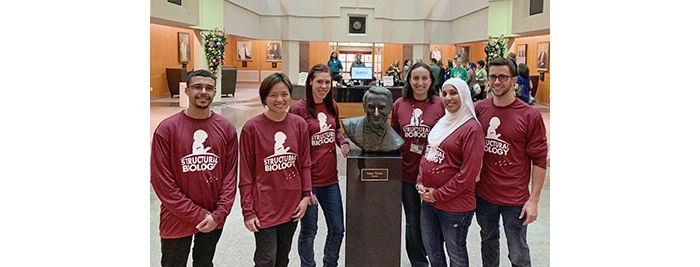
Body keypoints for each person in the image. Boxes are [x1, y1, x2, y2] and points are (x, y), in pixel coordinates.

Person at [151, 69, 239, 267]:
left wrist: (219, 214)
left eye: (209, 88)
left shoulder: (226, 129)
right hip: (176, 218)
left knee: (204, 263)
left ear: (215, 92)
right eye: (197, 87)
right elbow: (161, 182)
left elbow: (230, 178)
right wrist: (199, 215)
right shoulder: (167, 129)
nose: (203, 92)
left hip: (213, 217)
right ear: (187, 91)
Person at [474, 58, 548, 267]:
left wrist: (533, 199)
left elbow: (539, 159)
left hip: (515, 199)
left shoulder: (529, 115)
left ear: (514, 80)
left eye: (503, 77)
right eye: (493, 76)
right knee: (488, 243)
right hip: (484, 194)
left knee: (518, 253)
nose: (497, 82)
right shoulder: (479, 109)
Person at [239, 73, 313, 266]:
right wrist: (248, 211)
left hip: (292, 204)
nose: (280, 100)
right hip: (265, 205)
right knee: (266, 259)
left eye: (284, 94)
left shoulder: (299, 124)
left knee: (282, 258)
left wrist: (306, 196)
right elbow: (246, 173)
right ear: (264, 97)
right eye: (273, 95)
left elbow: (304, 163)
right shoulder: (251, 128)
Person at [416, 78, 485, 267]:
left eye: (453, 93)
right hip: (429, 202)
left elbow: (468, 173)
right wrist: (420, 180)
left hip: (455, 205)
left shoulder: (472, 128)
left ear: (463, 95)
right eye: (444, 93)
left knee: (456, 254)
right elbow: (427, 154)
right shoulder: (441, 122)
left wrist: (438, 194)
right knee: (433, 250)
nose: (448, 98)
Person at [289, 64, 350, 267]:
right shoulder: (298, 109)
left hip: (330, 180)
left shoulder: (332, 104)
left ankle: (329, 263)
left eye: (327, 82)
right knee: (309, 230)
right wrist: (304, 189)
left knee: (338, 229)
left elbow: (336, 130)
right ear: (310, 82)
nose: (323, 86)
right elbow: (293, 149)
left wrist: (343, 142)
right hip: (309, 183)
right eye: (319, 82)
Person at [391, 62, 445, 267]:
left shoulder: (440, 104)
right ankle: (418, 262)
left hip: (435, 174)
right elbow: (394, 137)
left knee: (432, 221)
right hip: (407, 173)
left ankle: (436, 258)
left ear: (431, 80)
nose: (420, 82)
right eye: (416, 78)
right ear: (409, 80)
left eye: (424, 78)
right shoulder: (400, 104)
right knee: (413, 221)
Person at [340, 86, 403, 152]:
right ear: (364, 107)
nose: (376, 114)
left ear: (390, 108)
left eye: (381, 108)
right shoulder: (350, 126)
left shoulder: (396, 141)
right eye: (371, 107)